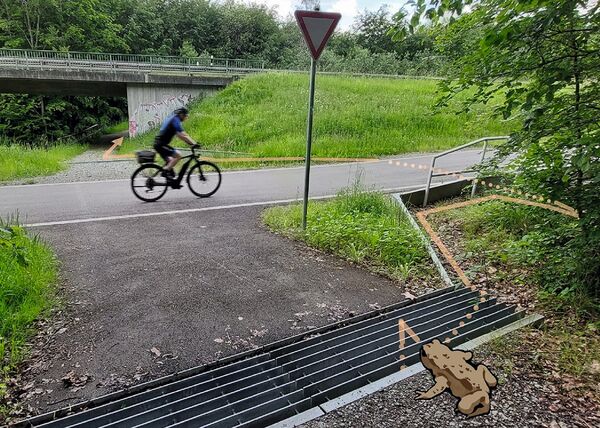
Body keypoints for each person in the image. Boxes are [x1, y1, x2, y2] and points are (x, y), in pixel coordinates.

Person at [153, 107, 198, 178]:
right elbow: (183, 135)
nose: (185, 117)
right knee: (178, 155)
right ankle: (164, 172)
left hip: (159, 144)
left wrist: (190, 142)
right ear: (181, 114)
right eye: (185, 115)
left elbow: (180, 136)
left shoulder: (173, 119)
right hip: (161, 144)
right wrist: (193, 143)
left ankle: (169, 180)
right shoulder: (175, 120)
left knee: (170, 163)